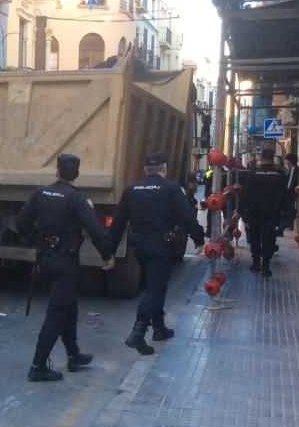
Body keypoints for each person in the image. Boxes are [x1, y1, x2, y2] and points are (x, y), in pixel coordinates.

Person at [16, 154, 116, 382]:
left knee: (69, 305)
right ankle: (38, 365)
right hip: (65, 261)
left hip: (46, 258)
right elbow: (95, 229)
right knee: (57, 313)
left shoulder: (40, 193)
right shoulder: (77, 198)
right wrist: (107, 256)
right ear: (76, 174)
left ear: (57, 171)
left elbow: (21, 222)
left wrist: (38, 240)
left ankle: (73, 355)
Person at [109, 152, 205, 355]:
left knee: (156, 285)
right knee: (155, 288)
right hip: (161, 246)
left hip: (140, 247)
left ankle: (159, 328)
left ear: (145, 170)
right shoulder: (171, 189)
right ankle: (138, 332)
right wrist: (199, 239)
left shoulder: (131, 189)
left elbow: (118, 224)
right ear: (164, 169)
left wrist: (108, 251)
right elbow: (187, 216)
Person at [238, 148, 289, 277]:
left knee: (255, 237)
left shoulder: (254, 173)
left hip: (255, 212)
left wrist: (240, 210)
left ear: (261, 159)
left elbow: (246, 194)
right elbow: (285, 195)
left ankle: (256, 263)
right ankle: (266, 267)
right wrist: (286, 212)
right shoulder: (280, 174)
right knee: (269, 238)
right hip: (272, 212)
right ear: (273, 159)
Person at [284, 152, 299, 229]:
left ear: (290, 161)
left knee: (289, 209)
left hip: (290, 193)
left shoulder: (293, 169)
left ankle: (288, 224)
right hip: (292, 193)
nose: (286, 162)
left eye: (286, 160)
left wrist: (286, 192)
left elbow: (290, 182)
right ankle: (290, 224)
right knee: (290, 209)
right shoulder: (294, 168)